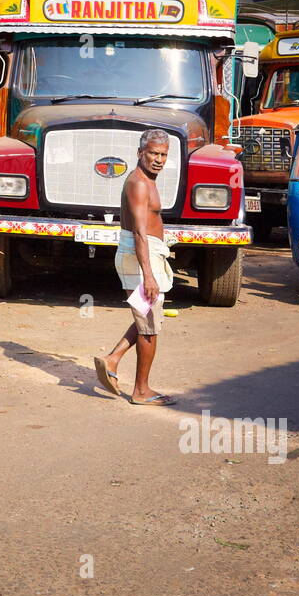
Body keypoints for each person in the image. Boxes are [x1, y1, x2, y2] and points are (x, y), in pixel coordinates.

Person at [93, 129, 177, 406]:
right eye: (153, 153)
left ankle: (112, 359)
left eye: (163, 154)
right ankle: (141, 391)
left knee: (147, 318)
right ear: (140, 153)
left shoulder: (147, 180)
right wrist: (149, 275)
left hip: (146, 254)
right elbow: (140, 233)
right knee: (149, 327)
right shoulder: (139, 184)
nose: (158, 160)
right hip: (140, 257)